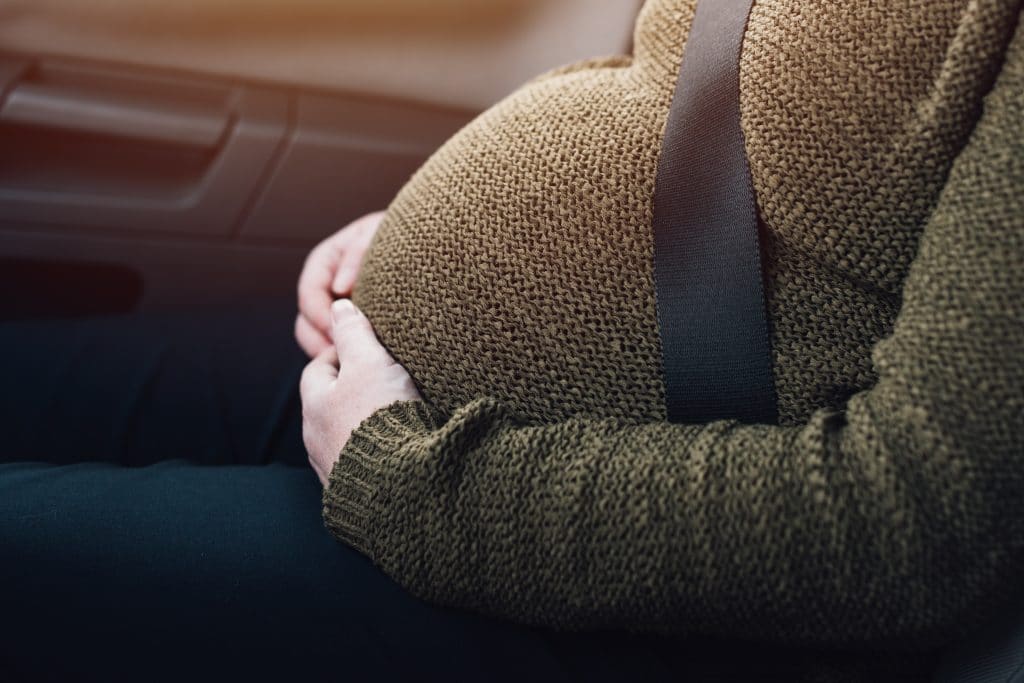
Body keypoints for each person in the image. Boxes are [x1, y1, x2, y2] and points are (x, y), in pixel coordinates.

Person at [1, 0, 1022, 681]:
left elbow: (920, 520)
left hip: (539, 541)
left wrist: (412, 487)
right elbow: (678, 81)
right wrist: (416, 220)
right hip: (390, 391)